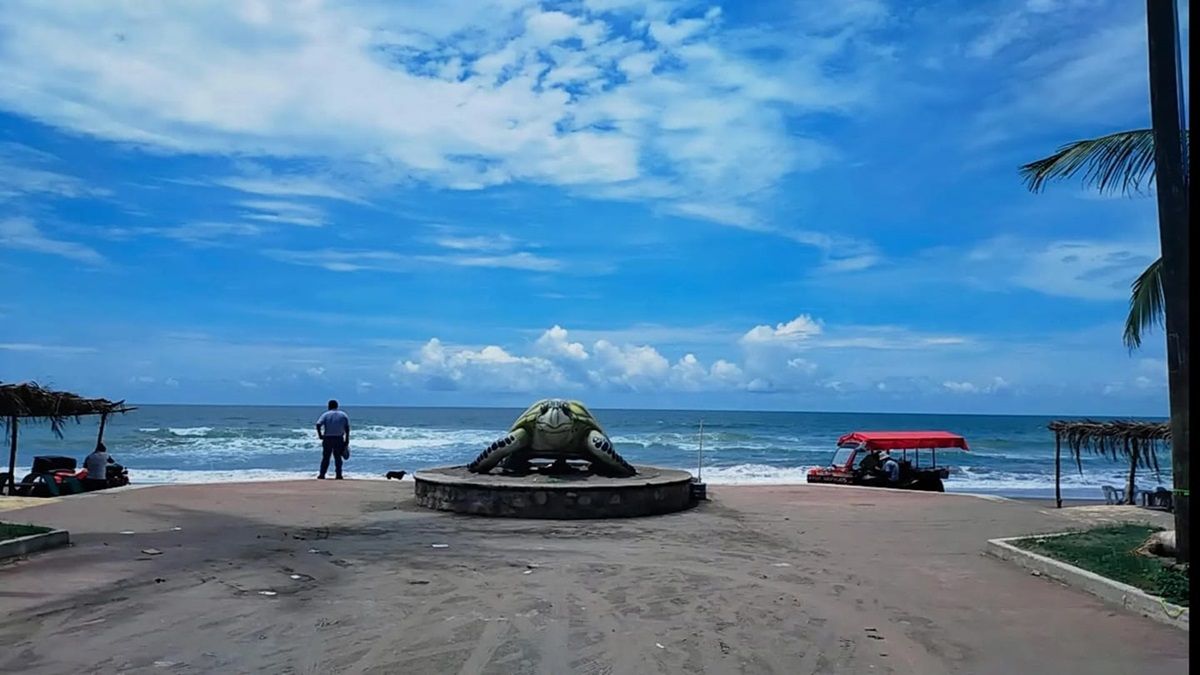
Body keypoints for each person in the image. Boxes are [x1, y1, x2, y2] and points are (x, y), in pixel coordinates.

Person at [316, 399, 350, 480]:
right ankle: (338, 475)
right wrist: (347, 439)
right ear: (337, 406)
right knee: (338, 457)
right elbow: (347, 428)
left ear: (329, 406)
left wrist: (320, 435)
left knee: (326, 457)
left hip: (327, 438)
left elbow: (318, 424)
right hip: (339, 438)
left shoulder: (325, 414)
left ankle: (322, 474)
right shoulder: (343, 415)